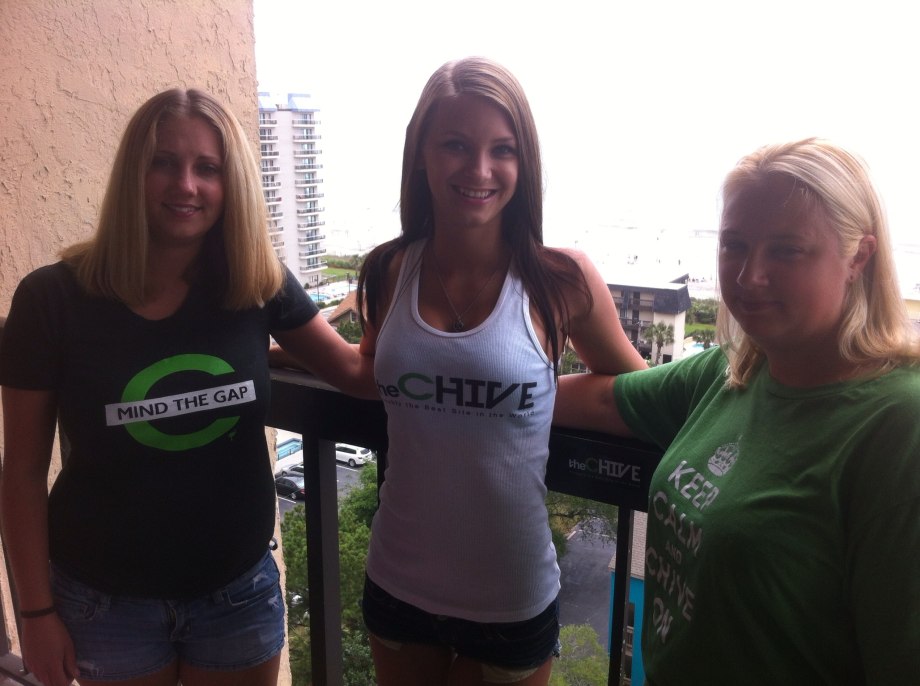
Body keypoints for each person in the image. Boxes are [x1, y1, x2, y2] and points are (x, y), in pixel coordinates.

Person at [0, 89, 371, 686]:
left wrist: (404, 282)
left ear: (232, 184)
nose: (187, 185)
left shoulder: (257, 281)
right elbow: (20, 471)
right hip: (104, 605)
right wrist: (35, 613)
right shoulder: (51, 299)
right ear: (133, 172)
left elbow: (356, 373)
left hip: (237, 596)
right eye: (164, 162)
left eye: (208, 168)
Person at [554, 138, 920, 684]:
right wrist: (458, 392)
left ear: (858, 258)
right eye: (734, 245)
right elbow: (604, 398)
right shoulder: (734, 370)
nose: (750, 276)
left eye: (786, 250)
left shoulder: (898, 425)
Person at [354, 57, 647, 686]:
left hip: (510, 598)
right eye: (456, 145)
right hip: (398, 579)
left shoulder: (561, 280)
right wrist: (272, 353)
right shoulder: (388, 269)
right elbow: (370, 369)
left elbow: (640, 391)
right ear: (421, 154)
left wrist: (543, 395)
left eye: (502, 149)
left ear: (525, 163)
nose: (479, 169)